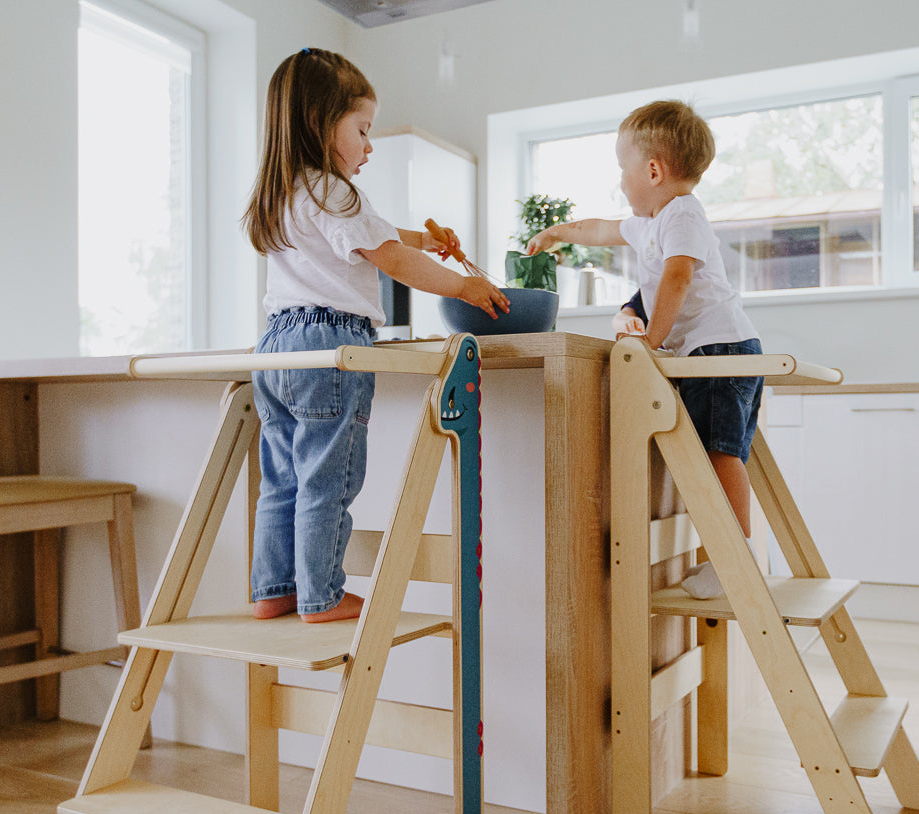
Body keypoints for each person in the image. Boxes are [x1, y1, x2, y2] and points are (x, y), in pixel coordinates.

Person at [243, 48, 507, 622]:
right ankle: (322, 596)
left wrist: (424, 240)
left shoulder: (286, 193)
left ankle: (275, 591)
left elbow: (376, 236)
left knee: (282, 479)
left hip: (276, 348)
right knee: (328, 476)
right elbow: (385, 255)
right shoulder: (337, 193)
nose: (369, 144)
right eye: (362, 129)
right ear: (320, 124)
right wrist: (461, 286)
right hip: (330, 345)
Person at [526, 99, 761, 599]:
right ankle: (725, 556)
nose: (620, 182)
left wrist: (652, 340)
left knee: (720, 457)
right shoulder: (652, 223)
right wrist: (554, 233)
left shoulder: (683, 215)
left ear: (652, 170)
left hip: (720, 353)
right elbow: (599, 229)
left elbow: (677, 275)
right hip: (709, 353)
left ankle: (736, 562)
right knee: (712, 456)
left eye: (622, 169)